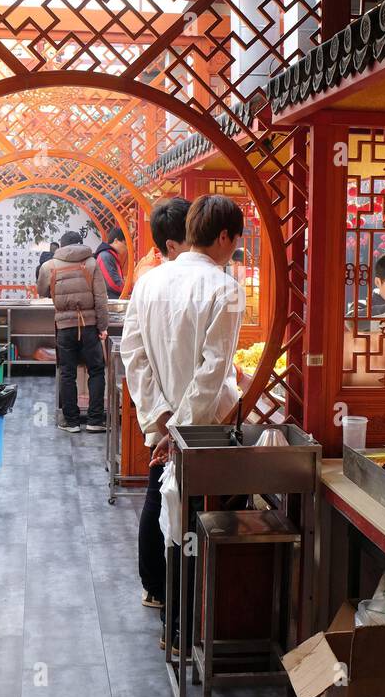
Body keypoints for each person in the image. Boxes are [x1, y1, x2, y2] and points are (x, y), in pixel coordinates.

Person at [120, 195, 244, 640]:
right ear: (225, 236)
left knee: (163, 501)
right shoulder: (225, 287)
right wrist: (183, 429)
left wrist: (160, 419)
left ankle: (166, 602)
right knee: (196, 517)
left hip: (166, 422)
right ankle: (188, 622)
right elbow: (215, 368)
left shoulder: (150, 282)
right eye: (235, 241)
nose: (234, 249)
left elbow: (131, 353)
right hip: (203, 427)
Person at [37, 230, 109, 434]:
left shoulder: (49, 265)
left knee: (67, 372)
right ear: (80, 244)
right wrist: (102, 327)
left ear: (61, 245)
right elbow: (101, 300)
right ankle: (95, 420)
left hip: (64, 326)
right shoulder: (92, 264)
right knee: (95, 370)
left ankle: (71, 421)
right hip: (89, 325)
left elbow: (42, 291)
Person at [95, 227, 128, 299]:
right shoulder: (105, 256)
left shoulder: (110, 255)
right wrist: (129, 288)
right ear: (116, 241)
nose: (126, 248)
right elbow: (113, 283)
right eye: (125, 244)